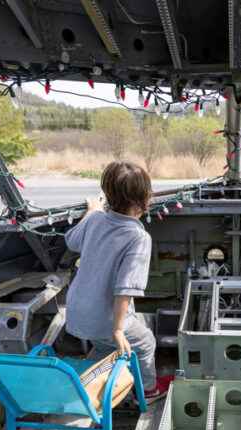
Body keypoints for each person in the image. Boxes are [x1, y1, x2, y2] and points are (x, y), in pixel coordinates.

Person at [64, 161, 172, 404]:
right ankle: (148, 390)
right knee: (144, 342)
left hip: (77, 313)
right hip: (105, 319)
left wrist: (92, 211)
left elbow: (71, 241)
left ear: (108, 193)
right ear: (145, 198)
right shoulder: (138, 237)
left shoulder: (95, 220)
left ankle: (92, 388)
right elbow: (125, 289)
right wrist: (118, 329)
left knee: (104, 347)